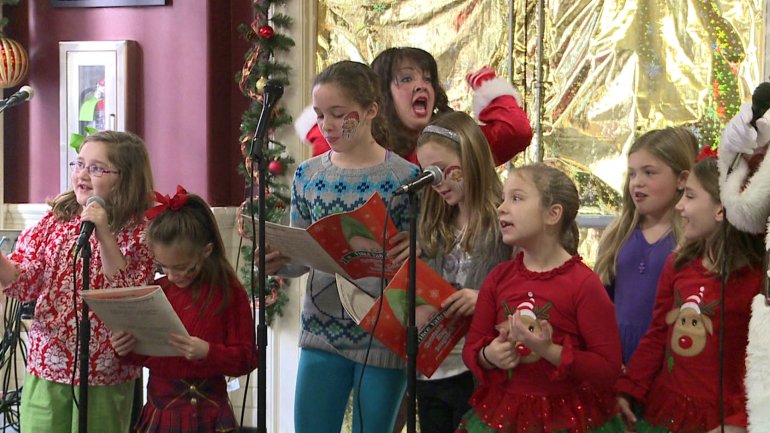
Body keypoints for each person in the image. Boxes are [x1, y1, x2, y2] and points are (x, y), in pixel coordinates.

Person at [267, 60, 420, 433]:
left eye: (338, 114)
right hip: (322, 329)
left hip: (383, 332)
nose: (327, 125)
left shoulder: (405, 177)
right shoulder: (309, 175)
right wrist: (276, 261)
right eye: (320, 115)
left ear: (370, 110)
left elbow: (424, 253)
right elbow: (301, 256)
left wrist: (415, 251)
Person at [0, 131, 155, 433]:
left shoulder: (140, 231)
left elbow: (128, 293)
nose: (82, 174)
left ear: (126, 178)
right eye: (79, 164)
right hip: (49, 365)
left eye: (97, 168)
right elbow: (25, 280)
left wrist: (104, 233)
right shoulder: (55, 221)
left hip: (106, 372)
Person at [458, 164, 623, 433]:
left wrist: (549, 351)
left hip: (569, 419)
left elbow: (608, 368)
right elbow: (471, 350)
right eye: (503, 199)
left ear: (553, 214)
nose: (501, 208)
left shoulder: (583, 284)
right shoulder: (498, 278)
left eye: (516, 198)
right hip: (505, 415)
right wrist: (490, 355)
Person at [616, 154, 764, 433]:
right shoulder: (679, 264)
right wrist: (628, 390)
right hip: (666, 409)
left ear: (721, 209)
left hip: (723, 419)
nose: (680, 206)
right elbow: (658, 333)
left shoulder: (757, 282)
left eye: (690, 196)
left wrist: (738, 422)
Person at [110, 186, 257, 433]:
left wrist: (207, 352)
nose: (172, 275)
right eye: (164, 266)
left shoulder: (229, 292)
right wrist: (124, 349)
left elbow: (247, 359)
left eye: (182, 267)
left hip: (210, 415)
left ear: (206, 252)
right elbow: (148, 354)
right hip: (161, 413)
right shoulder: (157, 292)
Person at [413, 111, 511, 433]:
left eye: (442, 170)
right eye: (428, 174)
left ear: (471, 157)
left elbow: (533, 292)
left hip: (480, 371)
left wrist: (485, 299)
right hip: (431, 371)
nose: (437, 182)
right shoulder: (432, 225)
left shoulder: (505, 223)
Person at [294, 47, 532, 166]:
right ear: (383, 94)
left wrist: (489, 88)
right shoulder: (358, 142)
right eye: (406, 79)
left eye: (428, 79)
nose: (422, 86)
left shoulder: (453, 141)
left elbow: (516, 132)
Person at [594, 127, 697, 363]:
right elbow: (602, 303)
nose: (637, 183)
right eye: (632, 174)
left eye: (649, 173)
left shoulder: (690, 240)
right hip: (617, 358)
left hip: (669, 359)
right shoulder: (617, 235)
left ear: (682, 179)